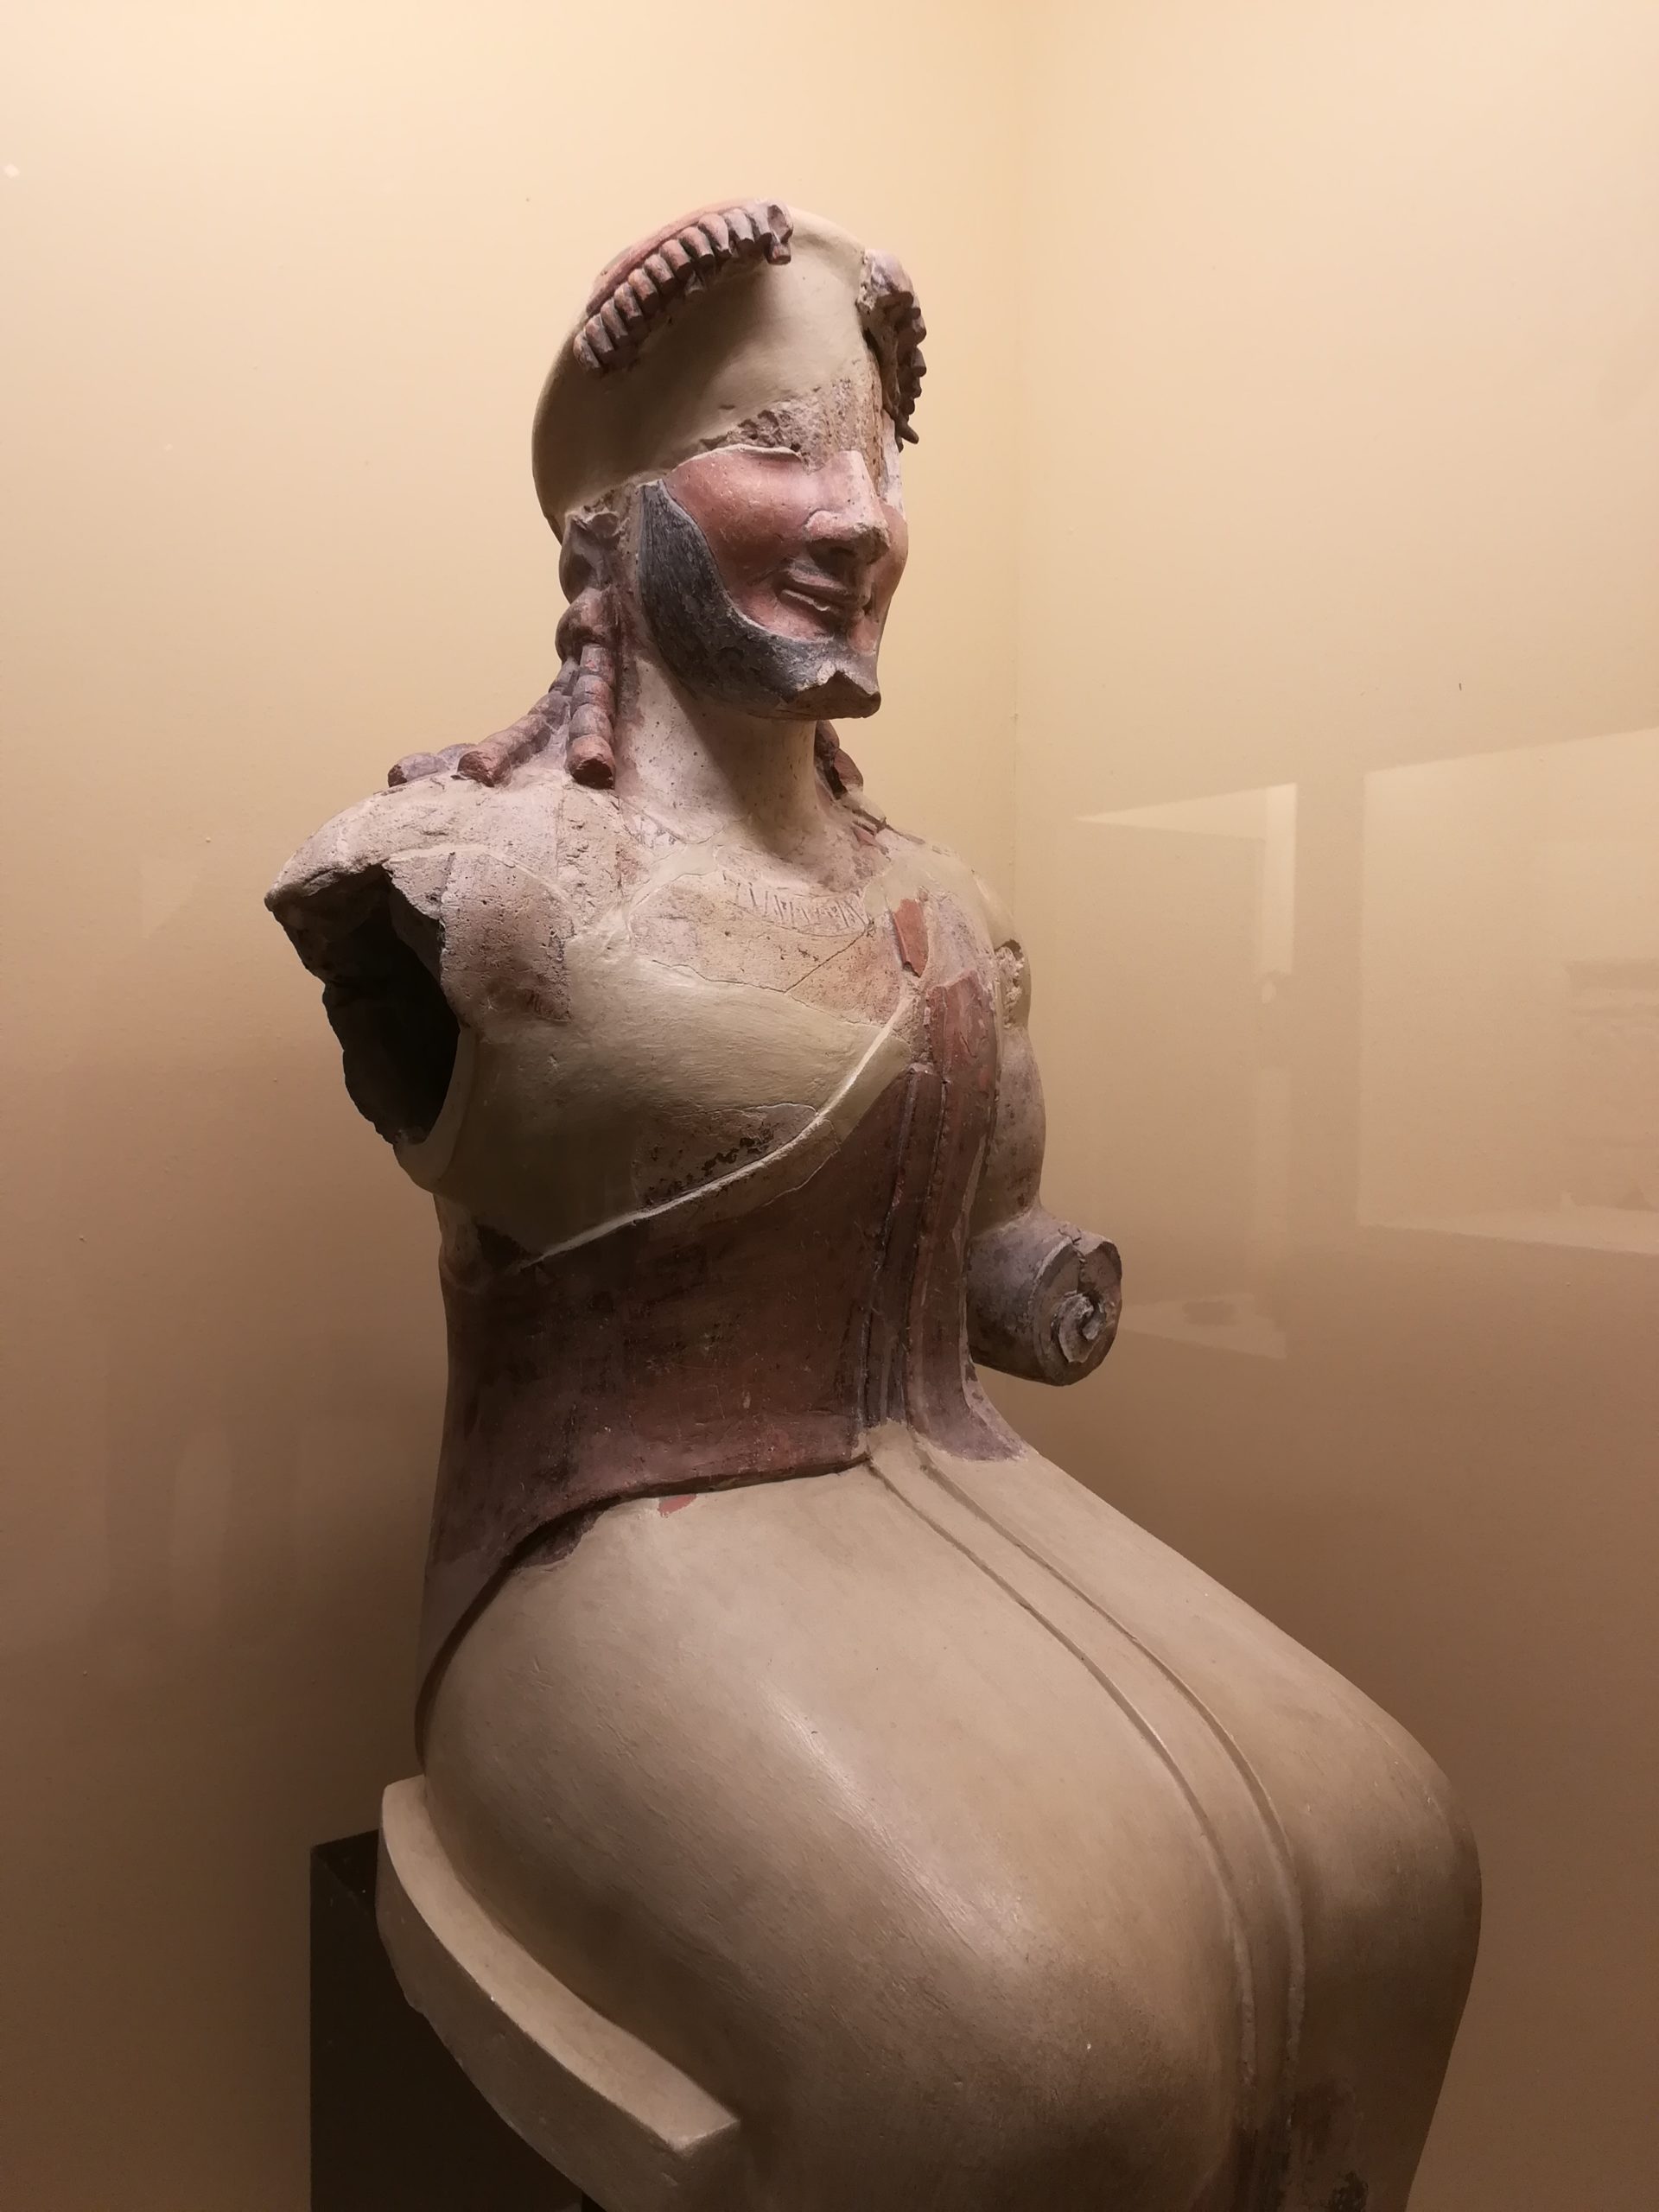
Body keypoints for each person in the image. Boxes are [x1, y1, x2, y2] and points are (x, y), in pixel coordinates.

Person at [269, 201, 1478, 2212]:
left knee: (1397, 1861)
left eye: (880, 459)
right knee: (1026, 2059)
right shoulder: (461, 870)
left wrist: (1025, 1272)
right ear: (611, 517)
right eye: (777, 446)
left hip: (942, 1483)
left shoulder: (944, 902)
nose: (857, 515)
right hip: (601, 1553)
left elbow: (972, 1259)